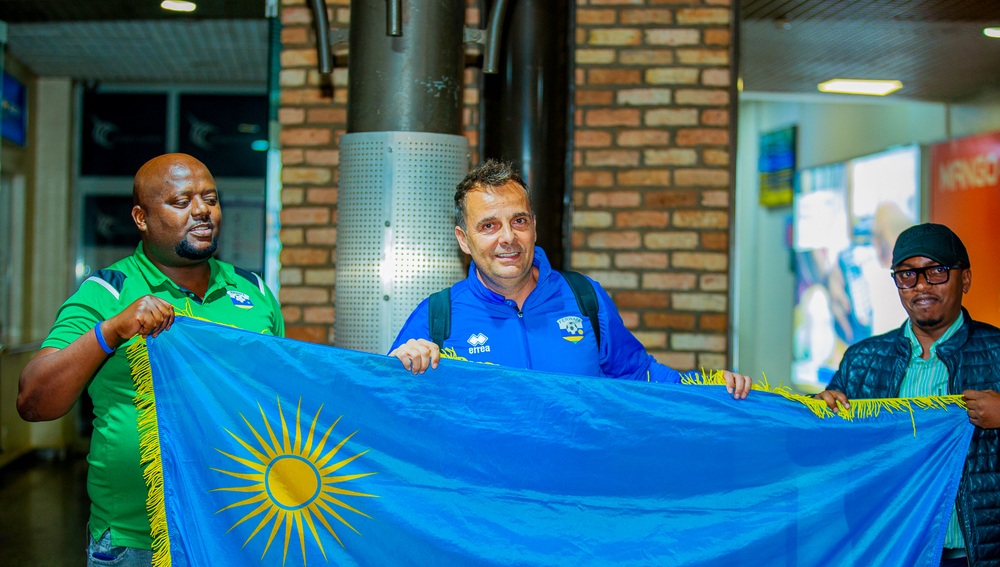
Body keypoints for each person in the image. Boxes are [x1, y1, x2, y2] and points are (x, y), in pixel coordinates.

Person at [17, 153, 284, 566]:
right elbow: (33, 402)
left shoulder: (255, 292)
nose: (202, 210)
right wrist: (111, 331)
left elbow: (283, 393)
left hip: (240, 529)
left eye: (210, 199)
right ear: (141, 218)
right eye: (181, 202)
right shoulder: (108, 292)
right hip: (137, 540)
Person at [389, 159, 752, 398]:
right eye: (489, 226)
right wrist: (400, 365)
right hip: (486, 494)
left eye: (519, 221)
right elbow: (390, 404)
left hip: (576, 492)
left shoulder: (583, 298)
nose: (508, 238)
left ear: (534, 227)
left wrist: (710, 389)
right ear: (464, 240)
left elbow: (642, 377)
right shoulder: (438, 316)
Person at [816, 222, 1000, 567]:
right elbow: (816, 455)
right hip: (890, 551)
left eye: (937, 271)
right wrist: (817, 417)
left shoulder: (997, 353)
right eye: (907, 275)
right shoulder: (863, 360)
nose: (921, 286)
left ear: (965, 279)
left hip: (977, 556)